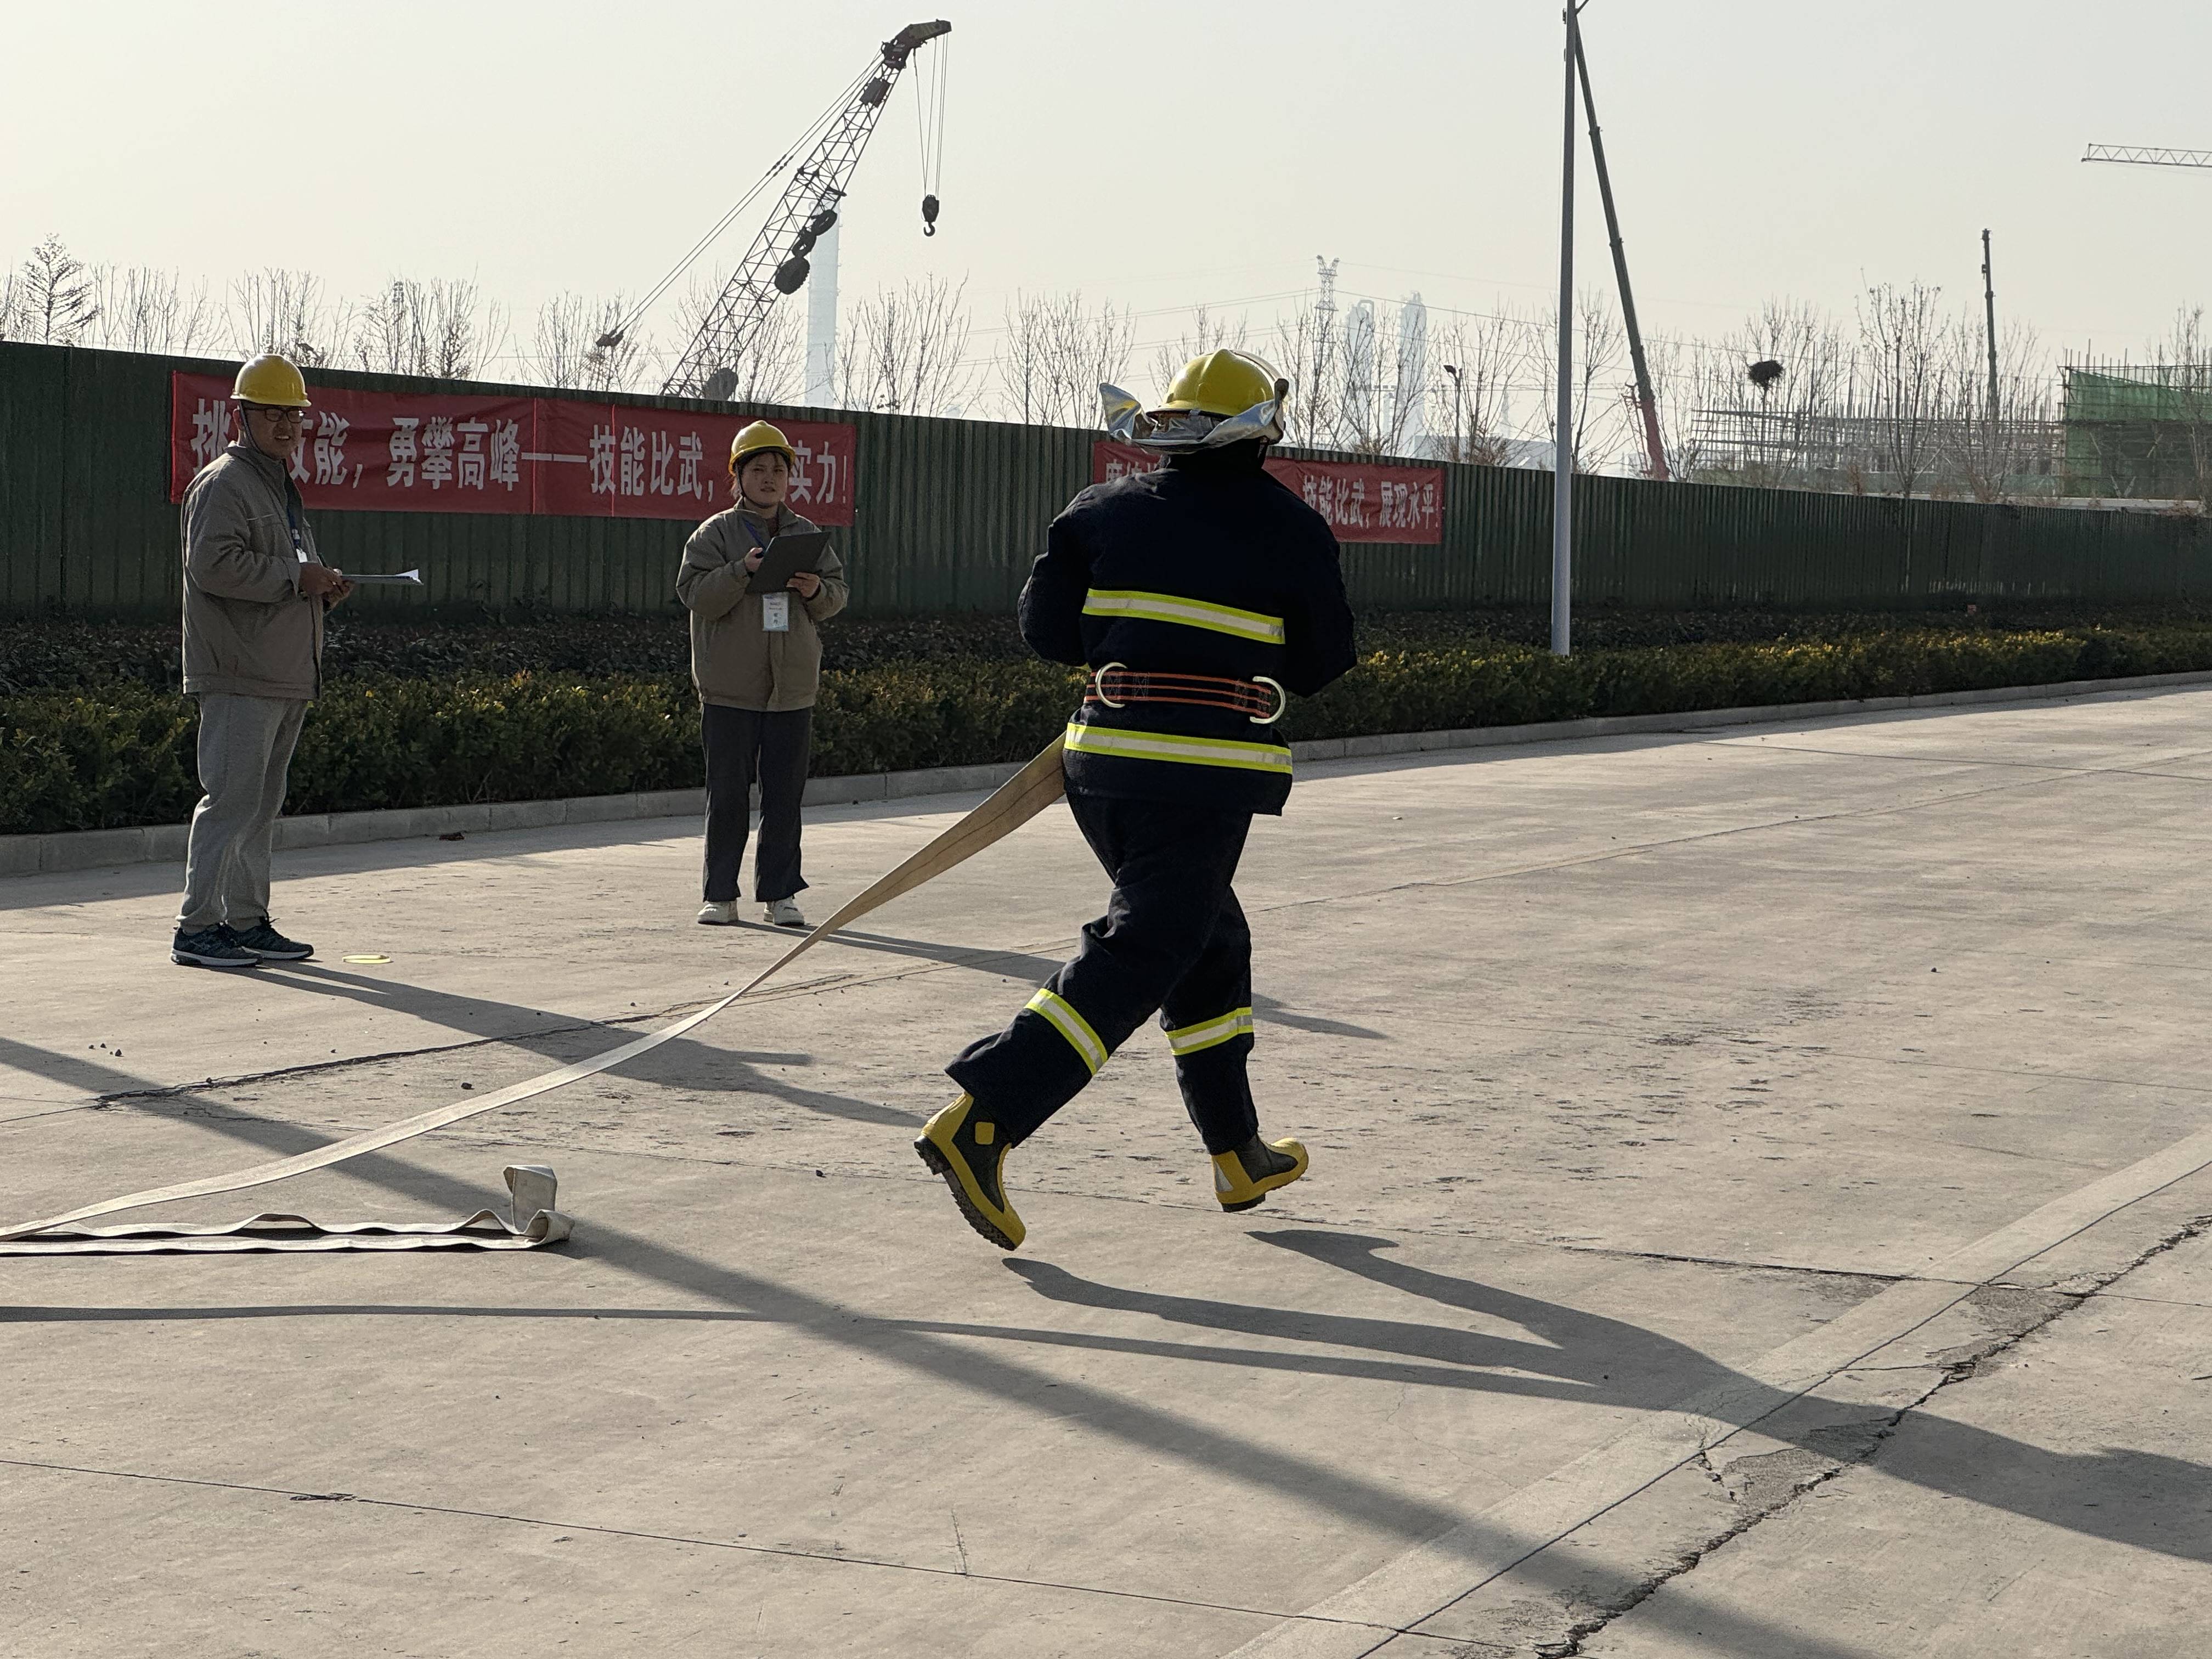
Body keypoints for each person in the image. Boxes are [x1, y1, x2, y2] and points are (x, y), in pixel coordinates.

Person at [916, 349, 1357, 1250]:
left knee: (1208, 938)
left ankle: (1236, 1150)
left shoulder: (1096, 509)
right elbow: (1321, 662)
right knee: (1148, 945)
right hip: (1198, 775)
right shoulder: (1290, 527)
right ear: (1260, 435)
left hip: (1101, 768)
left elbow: (1046, 631)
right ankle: (986, 1117)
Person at [170, 353, 352, 970]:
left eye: (294, 415)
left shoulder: (277, 488)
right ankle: (197, 929)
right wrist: (295, 577)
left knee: (259, 806)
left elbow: (282, 573)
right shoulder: (225, 483)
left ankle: (245, 920)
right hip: (239, 672)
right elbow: (213, 566)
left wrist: (319, 587)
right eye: (272, 413)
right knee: (230, 802)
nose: (286, 425)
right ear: (241, 416)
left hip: (282, 673)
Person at [677, 420, 849, 928]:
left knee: (784, 799)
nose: (769, 478)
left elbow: (837, 595)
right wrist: (742, 570)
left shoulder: (806, 535)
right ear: (738, 476)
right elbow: (696, 595)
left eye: (778, 470)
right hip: (730, 689)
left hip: (791, 690)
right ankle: (720, 895)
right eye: (758, 469)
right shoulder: (715, 534)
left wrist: (816, 590)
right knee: (728, 797)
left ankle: (781, 895)